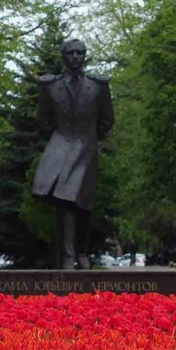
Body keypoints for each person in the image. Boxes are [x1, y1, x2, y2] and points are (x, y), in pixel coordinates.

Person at [32, 39, 115, 270]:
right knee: (65, 201)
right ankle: (69, 256)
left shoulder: (98, 86)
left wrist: (90, 138)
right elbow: (42, 120)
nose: (75, 57)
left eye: (79, 53)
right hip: (60, 146)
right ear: (64, 56)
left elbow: (107, 119)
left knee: (83, 203)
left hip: (86, 148)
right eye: (71, 53)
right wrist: (59, 140)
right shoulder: (51, 86)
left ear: (84, 55)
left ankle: (82, 251)